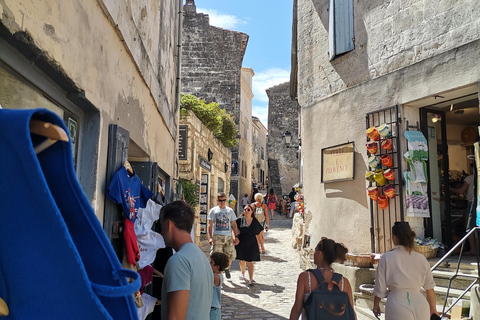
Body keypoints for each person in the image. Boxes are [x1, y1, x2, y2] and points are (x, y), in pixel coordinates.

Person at [373, 221, 438, 320]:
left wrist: (376, 304)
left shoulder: (387, 258)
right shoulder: (421, 258)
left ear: (394, 237)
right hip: (420, 304)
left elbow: (380, 287)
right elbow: (430, 288)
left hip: (397, 303)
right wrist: (433, 309)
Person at [159, 201, 213, 320]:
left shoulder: (179, 261)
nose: (161, 233)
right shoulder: (202, 257)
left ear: (169, 225)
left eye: (161, 226)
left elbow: (176, 317)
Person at [289, 237, 355, 320]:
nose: (314, 253)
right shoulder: (344, 282)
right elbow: (351, 314)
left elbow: (297, 309)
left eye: (315, 251)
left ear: (319, 253)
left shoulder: (305, 278)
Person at [207, 192, 239, 279]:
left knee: (230, 255)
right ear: (218, 200)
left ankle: (226, 268)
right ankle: (217, 274)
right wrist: (210, 237)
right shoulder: (213, 210)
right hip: (217, 235)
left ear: (226, 200)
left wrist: (235, 236)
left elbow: (234, 224)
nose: (222, 202)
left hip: (228, 236)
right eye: (221, 200)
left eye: (224, 200)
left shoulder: (230, 211)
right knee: (216, 255)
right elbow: (210, 224)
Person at [450, 163, 477, 254]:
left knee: (469, 227)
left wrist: (449, 188)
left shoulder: (470, 178)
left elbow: (461, 191)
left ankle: (473, 249)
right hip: (478, 202)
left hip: (472, 203)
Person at [235, 205, 264, 285]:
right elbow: (234, 228)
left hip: (252, 243)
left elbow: (259, 234)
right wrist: (235, 238)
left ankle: (251, 278)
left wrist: (262, 246)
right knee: (242, 260)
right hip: (242, 242)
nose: (246, 211)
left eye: (248, 209)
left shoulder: (255, 221)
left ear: (252, 211)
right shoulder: (239, 220)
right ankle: (243, 273)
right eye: (245, 209)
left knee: (250, 261)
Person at [209, 252, 229, 320]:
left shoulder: (216, 277)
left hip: (213, 310)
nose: (209, 264)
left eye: (211, 262)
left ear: (217, 267)